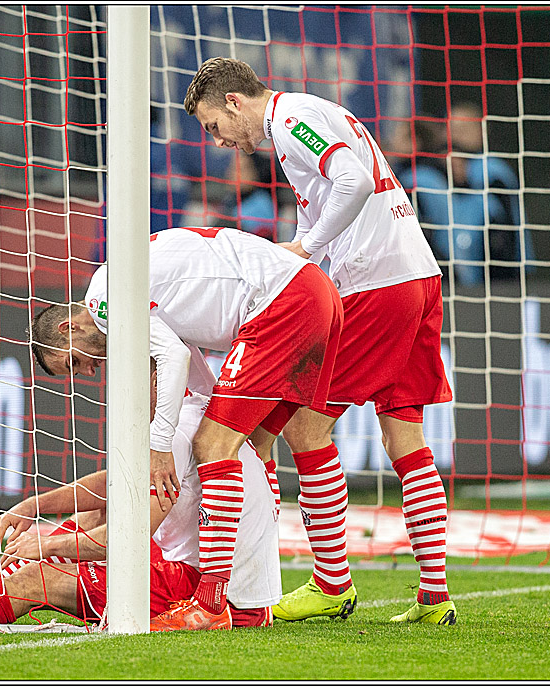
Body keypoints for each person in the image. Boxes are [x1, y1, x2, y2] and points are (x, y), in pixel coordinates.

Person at [184, 57, 456, 625]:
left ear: (235, 102)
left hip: (377, 284)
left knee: (303, 427)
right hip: (417, 276)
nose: (219, 141)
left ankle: (332, 583)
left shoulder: (290, 121)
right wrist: (303, 250)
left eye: (214, 126)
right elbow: (341, 194)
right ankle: (435, 597)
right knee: (404, 434)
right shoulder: (307, 116)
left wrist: (306, 248)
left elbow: (354, 180)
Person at [28, 226, 343, 631]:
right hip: (318, 295)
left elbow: (174, 356)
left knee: (212, 445)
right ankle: (254, 599)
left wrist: (159, 443)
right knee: (252, 447)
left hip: (281, 302)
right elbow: (194, 372)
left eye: (74, 362)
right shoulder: (123, 280)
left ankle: (210, 605)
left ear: (68, 328)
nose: (88, 371)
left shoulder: (105, 301)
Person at [0, 363, 281, 630]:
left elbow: (126, 539)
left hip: (218, 597)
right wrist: (33, 508)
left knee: (36, 575)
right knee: (81, 525)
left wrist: (45, 543)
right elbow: (117, 483)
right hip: (213, 576)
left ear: (158, 378)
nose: (119, 389)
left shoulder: (174, 435)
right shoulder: (190, 416)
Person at [407, 102, 526, 286]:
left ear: (480, 132)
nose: (455, 136)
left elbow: (507, 233)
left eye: (463, 129)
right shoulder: (427, 175)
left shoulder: (493, 172)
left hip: (497, 278)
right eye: (450, 129)